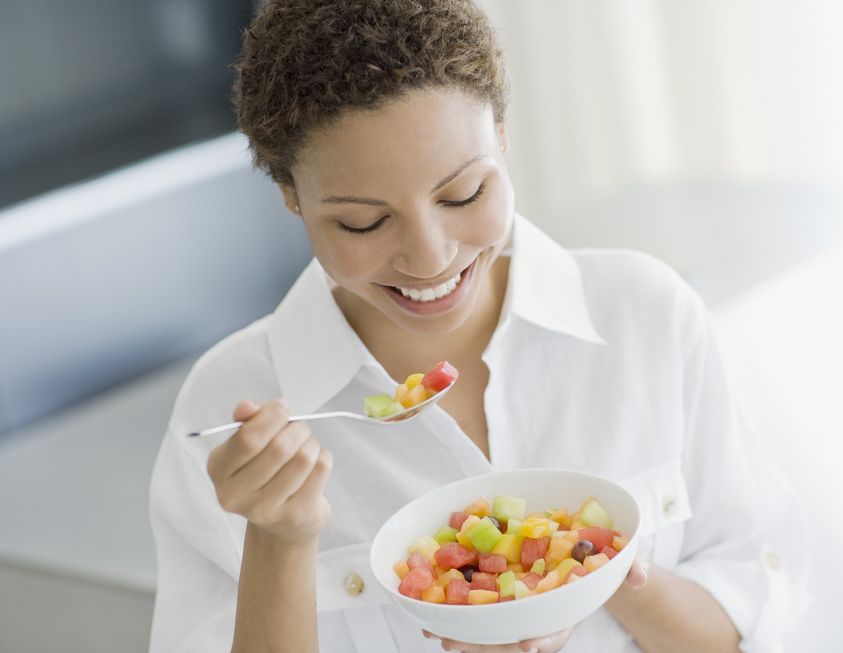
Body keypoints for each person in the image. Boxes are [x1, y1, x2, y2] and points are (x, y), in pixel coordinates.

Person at [149, 1, 809, 651]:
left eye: (462, 194)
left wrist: (598, 573)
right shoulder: (229, 407)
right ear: (291, 195)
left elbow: (749, 616)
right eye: (364, 222)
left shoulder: (644, 316)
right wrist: (280, 541)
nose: (431, 257)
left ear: (500, 134)